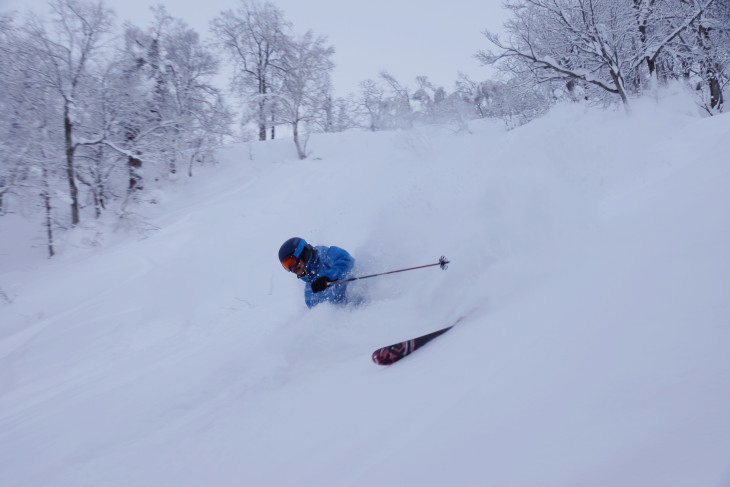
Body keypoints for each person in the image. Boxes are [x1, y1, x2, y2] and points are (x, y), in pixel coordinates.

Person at [278, 237, 355, 308]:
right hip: (348, 316)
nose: (292, 268)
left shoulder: (325, 255)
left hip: (361, 298)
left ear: (302, 253)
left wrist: (328, 277)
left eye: (291, 262)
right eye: (286, 266)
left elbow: (346, 260)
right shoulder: (310, 292)